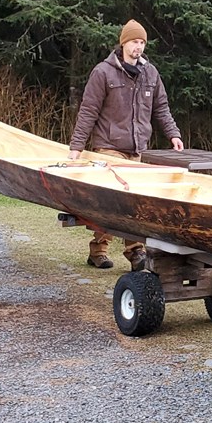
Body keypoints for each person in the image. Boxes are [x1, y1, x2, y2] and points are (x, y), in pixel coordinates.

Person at [68, 19, 184, 270]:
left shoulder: (150, 73)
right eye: (134, 42)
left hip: (136, 149)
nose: (138, 47)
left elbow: (161, 108)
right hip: (108, 147)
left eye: (142, 42)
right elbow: (88, 111)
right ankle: (98, 250)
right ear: (123, 44)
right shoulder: (103, 72)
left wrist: (173, 134)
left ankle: (135, 252)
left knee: (134, 204)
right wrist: (76, 147)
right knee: (110, 202)